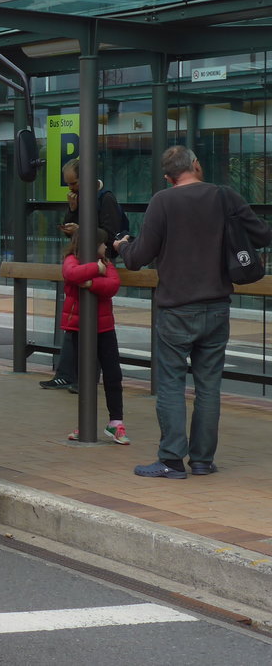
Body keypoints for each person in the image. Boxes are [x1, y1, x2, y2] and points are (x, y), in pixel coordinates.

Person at [114, 145, 272, 479]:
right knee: (209, 386)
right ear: (196, 165)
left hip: (176, 310)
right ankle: (202, 460)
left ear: (167, 176)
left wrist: (121, 245)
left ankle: (171, 460)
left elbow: (137, 257)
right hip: (217, 308)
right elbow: (263, 234)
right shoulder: (224, 196)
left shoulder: (162, 201)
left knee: (171, 385)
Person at [41, 157, 125, 390]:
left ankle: (84, 378)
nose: (71, 189)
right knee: (75, 322)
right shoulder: (79, 199)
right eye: (68, 184)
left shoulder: (105, 198)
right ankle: (68, 374)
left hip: (98, 258)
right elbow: (73, 233)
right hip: (83, 260)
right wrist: (72, 212)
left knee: (93, 323)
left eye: (74, 183)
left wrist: (82, 230)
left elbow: (109, 233)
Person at [58, 227, 129, 445]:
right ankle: (85, 421)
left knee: (113, 374)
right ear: (91, 244)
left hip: (105, 328)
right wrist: (94, 269)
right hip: (81, 328)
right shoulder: (72, 259)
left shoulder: (106, 264)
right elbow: (71, 274)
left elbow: (112, 285)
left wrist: (91, 282)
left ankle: (115, 422)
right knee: (86, 376)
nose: (106, 246)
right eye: (102, 242)